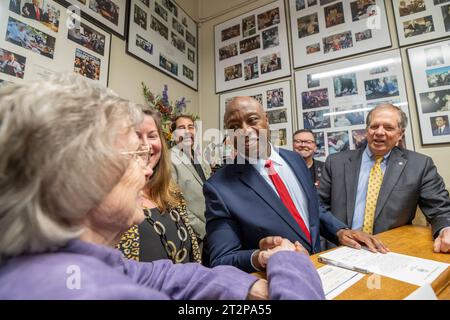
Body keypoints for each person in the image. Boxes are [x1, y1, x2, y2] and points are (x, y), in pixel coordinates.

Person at [0, 74, 325, 300]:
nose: (147, 166)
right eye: (133, 154)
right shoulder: (91, 291)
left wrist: (241, 289)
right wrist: (288, 261)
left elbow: (166, 276)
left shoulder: (74, 260)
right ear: (76, 176)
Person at [204, 96, 387, 273]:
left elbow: (312, 208)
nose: (244, 131)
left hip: (319, 267)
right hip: (279, 281)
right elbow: (222, 259)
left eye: (252, 120)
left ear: (267, 120)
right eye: (234, 127)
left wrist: (339, 231)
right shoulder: (219, 187)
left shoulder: (294, 159)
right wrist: (261, 257)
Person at [318, 104, 450, 253]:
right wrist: (339, 231)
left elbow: (439, 208)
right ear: (367, 130)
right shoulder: (336, 162)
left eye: (388, 128)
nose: (379, 132)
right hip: (342, 248)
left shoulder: (420, 165)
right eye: (374, 126)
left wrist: (446, 228)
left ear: (400, 134)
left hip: (391, 251)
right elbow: (318, 206)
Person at [117, 108, 201, 264]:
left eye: (152, 136)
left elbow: (193, 254)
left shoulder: (172, 192)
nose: (146, 144)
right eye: (135, 135)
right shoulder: (109, 199)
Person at [170, 115, 211, 242]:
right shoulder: (168, 159)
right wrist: (202, 230)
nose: (187, 131)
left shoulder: (200, 158)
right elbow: (173, 203)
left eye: (191, 127)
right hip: (194, 235)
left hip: (212, 227)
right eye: (182, 128)